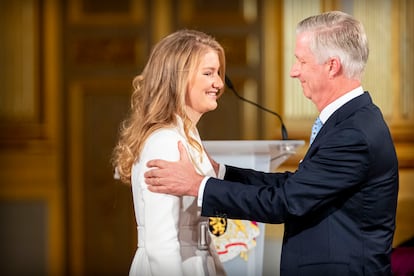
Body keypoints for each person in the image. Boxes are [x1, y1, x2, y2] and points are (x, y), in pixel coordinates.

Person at [144, 11, 399, 275]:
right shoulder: (352, 121)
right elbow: (294, 187)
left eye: (301, 61)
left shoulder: (353, 132)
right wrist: (222, 173)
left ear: (332, 66)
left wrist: (197, 185)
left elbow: (287, 201)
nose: (293, 71)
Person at [112, 29, 227, 276]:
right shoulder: (165, 141)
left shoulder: (187, 135)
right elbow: (160, 244)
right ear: (177, 78)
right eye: (208, 73)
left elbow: (201, 231)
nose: (218, 83)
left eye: (218, 73)